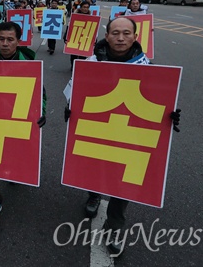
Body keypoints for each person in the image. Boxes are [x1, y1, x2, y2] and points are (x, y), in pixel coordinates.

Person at [64, 17, 181, 256]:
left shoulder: (148, 66)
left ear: (135, 37)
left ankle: (114, 226)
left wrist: (171, 115)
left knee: (123, 181)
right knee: (96, 166)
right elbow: (72, 91)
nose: (120, 38)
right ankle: (94, 195)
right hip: (98, 128)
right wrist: (70, 106)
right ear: (106, 36)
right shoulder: (90, 63)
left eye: (126, 33)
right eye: (115, 33)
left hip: (129, 134)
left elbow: (158, 103)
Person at [0, 21, 46, 225]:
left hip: (19, 119)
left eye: (10, 39)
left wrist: (41, 112)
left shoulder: (30, 64)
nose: (4, 44)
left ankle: (13, 171)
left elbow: (40, 93)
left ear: (18, 41)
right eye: (1, 39)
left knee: (14, 154)